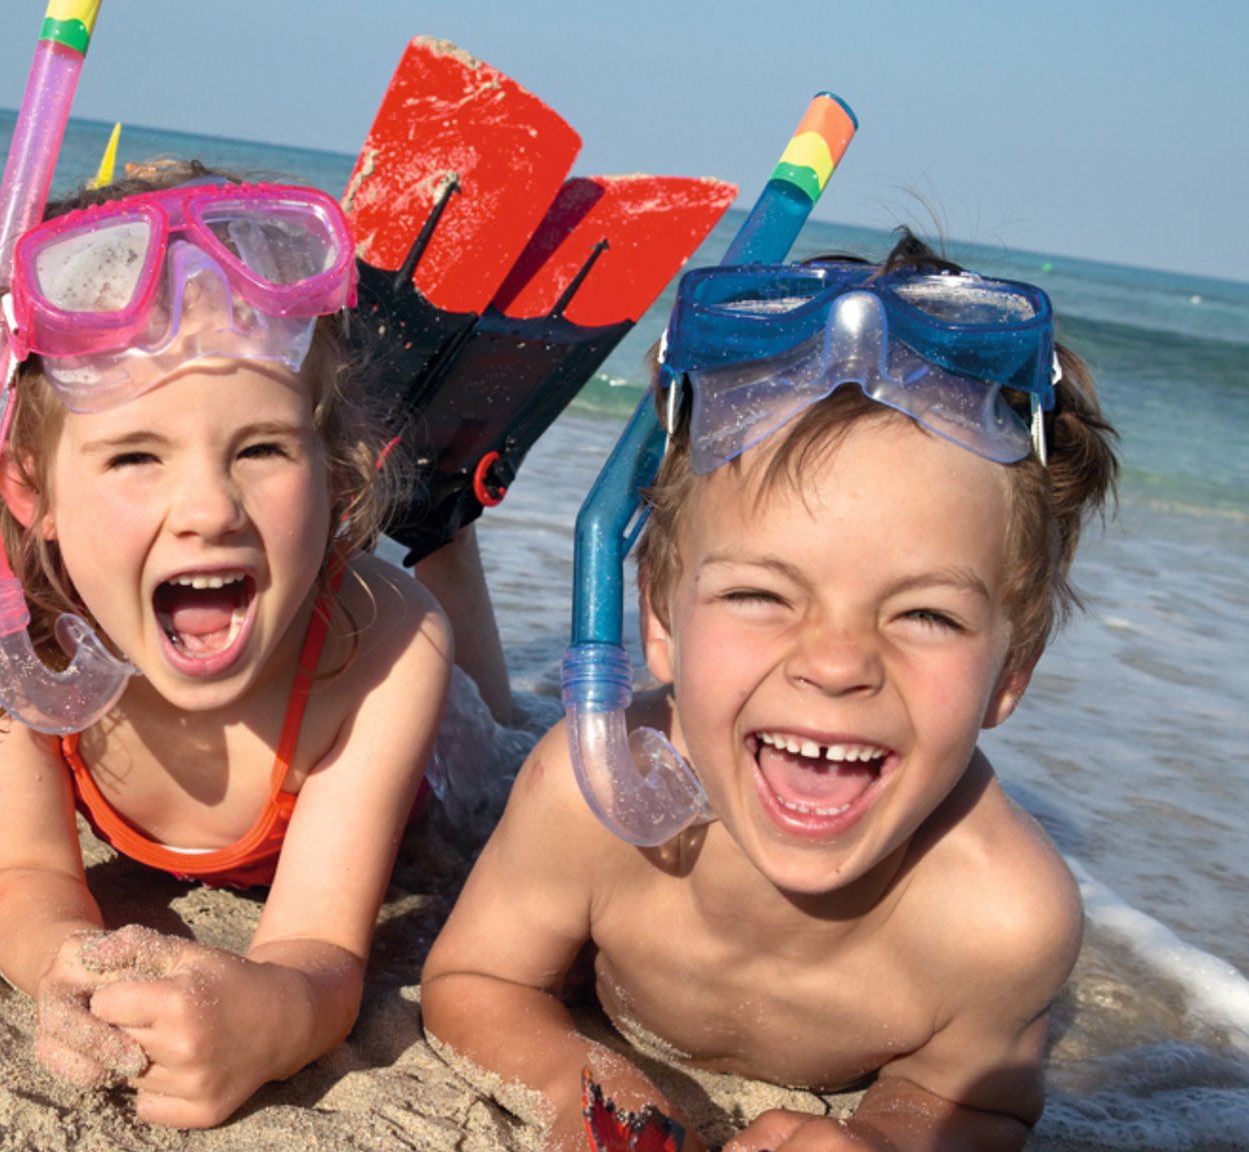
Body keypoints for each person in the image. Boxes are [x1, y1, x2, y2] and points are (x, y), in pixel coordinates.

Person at [420, 233, 1119, 1152]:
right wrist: (579, 1081)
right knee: (462, 747)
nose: (835, 665)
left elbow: (977, 1103)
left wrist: (888, 1134)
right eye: (759, 595)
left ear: (1012, 669)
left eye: (926, 616)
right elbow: (477, 980)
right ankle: (437, 523)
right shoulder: (597, 798)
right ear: (660, 621)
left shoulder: (1001, 921)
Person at [0, 161, 453, 1129]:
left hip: (443, 775)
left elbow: (318, 954)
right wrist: (65, 960)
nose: (209, 510)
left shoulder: (388, 651)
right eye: (136, 455)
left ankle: (446, 524)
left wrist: (263, 1024)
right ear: (27, 488)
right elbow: (23, 873)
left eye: (260, 447)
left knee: (489, 732)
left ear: (331, 470)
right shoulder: (5, 625)